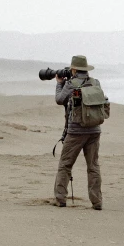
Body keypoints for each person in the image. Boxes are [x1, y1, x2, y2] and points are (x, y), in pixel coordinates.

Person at [53, 55, 103, 210]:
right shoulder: (95, 83)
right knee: (93, 166)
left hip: (75, 132)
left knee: (65, 165)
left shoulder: (70, 84)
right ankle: (97, 202)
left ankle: (60, 199)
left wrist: (59, 84)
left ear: (74, 69)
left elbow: (60, 100)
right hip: (94, 130)